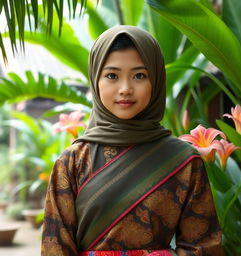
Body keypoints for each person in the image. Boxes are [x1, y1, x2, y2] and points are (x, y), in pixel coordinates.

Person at [41, 25, 223, 256]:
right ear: (96, 81)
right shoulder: (72, 162)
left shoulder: (184, 161)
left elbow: (205, 247)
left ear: (155, 80)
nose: (125, 89)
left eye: (139, 75)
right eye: (112, 76)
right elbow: (55, 248)